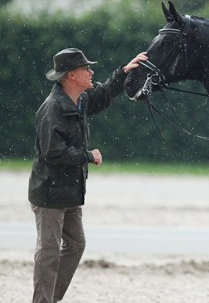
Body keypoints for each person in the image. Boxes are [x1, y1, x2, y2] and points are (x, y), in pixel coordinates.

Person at [28, 48, 147, 303]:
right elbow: (52, 152)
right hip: (49, 193)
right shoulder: (52, 109)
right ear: (72, 75)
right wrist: (88, 155)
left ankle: (50, 298)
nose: (91, 72)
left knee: (76, 245)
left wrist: (124, 72)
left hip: (70, 191)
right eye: (86, 69)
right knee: (49, 252)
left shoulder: (80, 100)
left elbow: (103, 94)